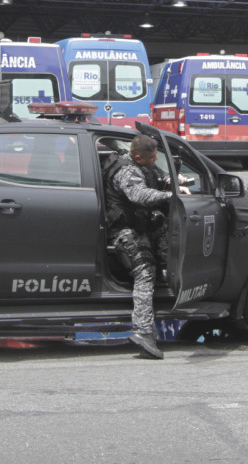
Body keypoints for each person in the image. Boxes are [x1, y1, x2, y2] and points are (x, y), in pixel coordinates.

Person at [104, 135, 187, 360]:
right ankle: (142, 331)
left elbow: (157, 176)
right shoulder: (126, 171)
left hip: (140, 227)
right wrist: (172, 196)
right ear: (138, 157)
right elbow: (138, 194)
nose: (156, 159)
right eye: (152, 157)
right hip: (123, 232)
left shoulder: (141, 165)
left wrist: (173, 180)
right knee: (144, 272)